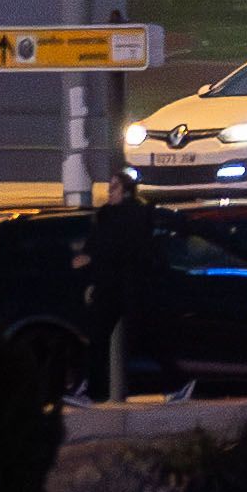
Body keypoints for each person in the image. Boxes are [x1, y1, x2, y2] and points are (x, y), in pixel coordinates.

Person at [76, 169, 159, 402]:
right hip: (116, 286)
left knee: (113, 338)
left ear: (126, 192)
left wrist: (91, 258)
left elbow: (112, 247)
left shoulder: (126, 217)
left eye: (114, 188)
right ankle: (96, 390)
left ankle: (99, 390)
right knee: (101, 339)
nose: (108, 192)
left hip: (120, 285)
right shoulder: (113, 215)